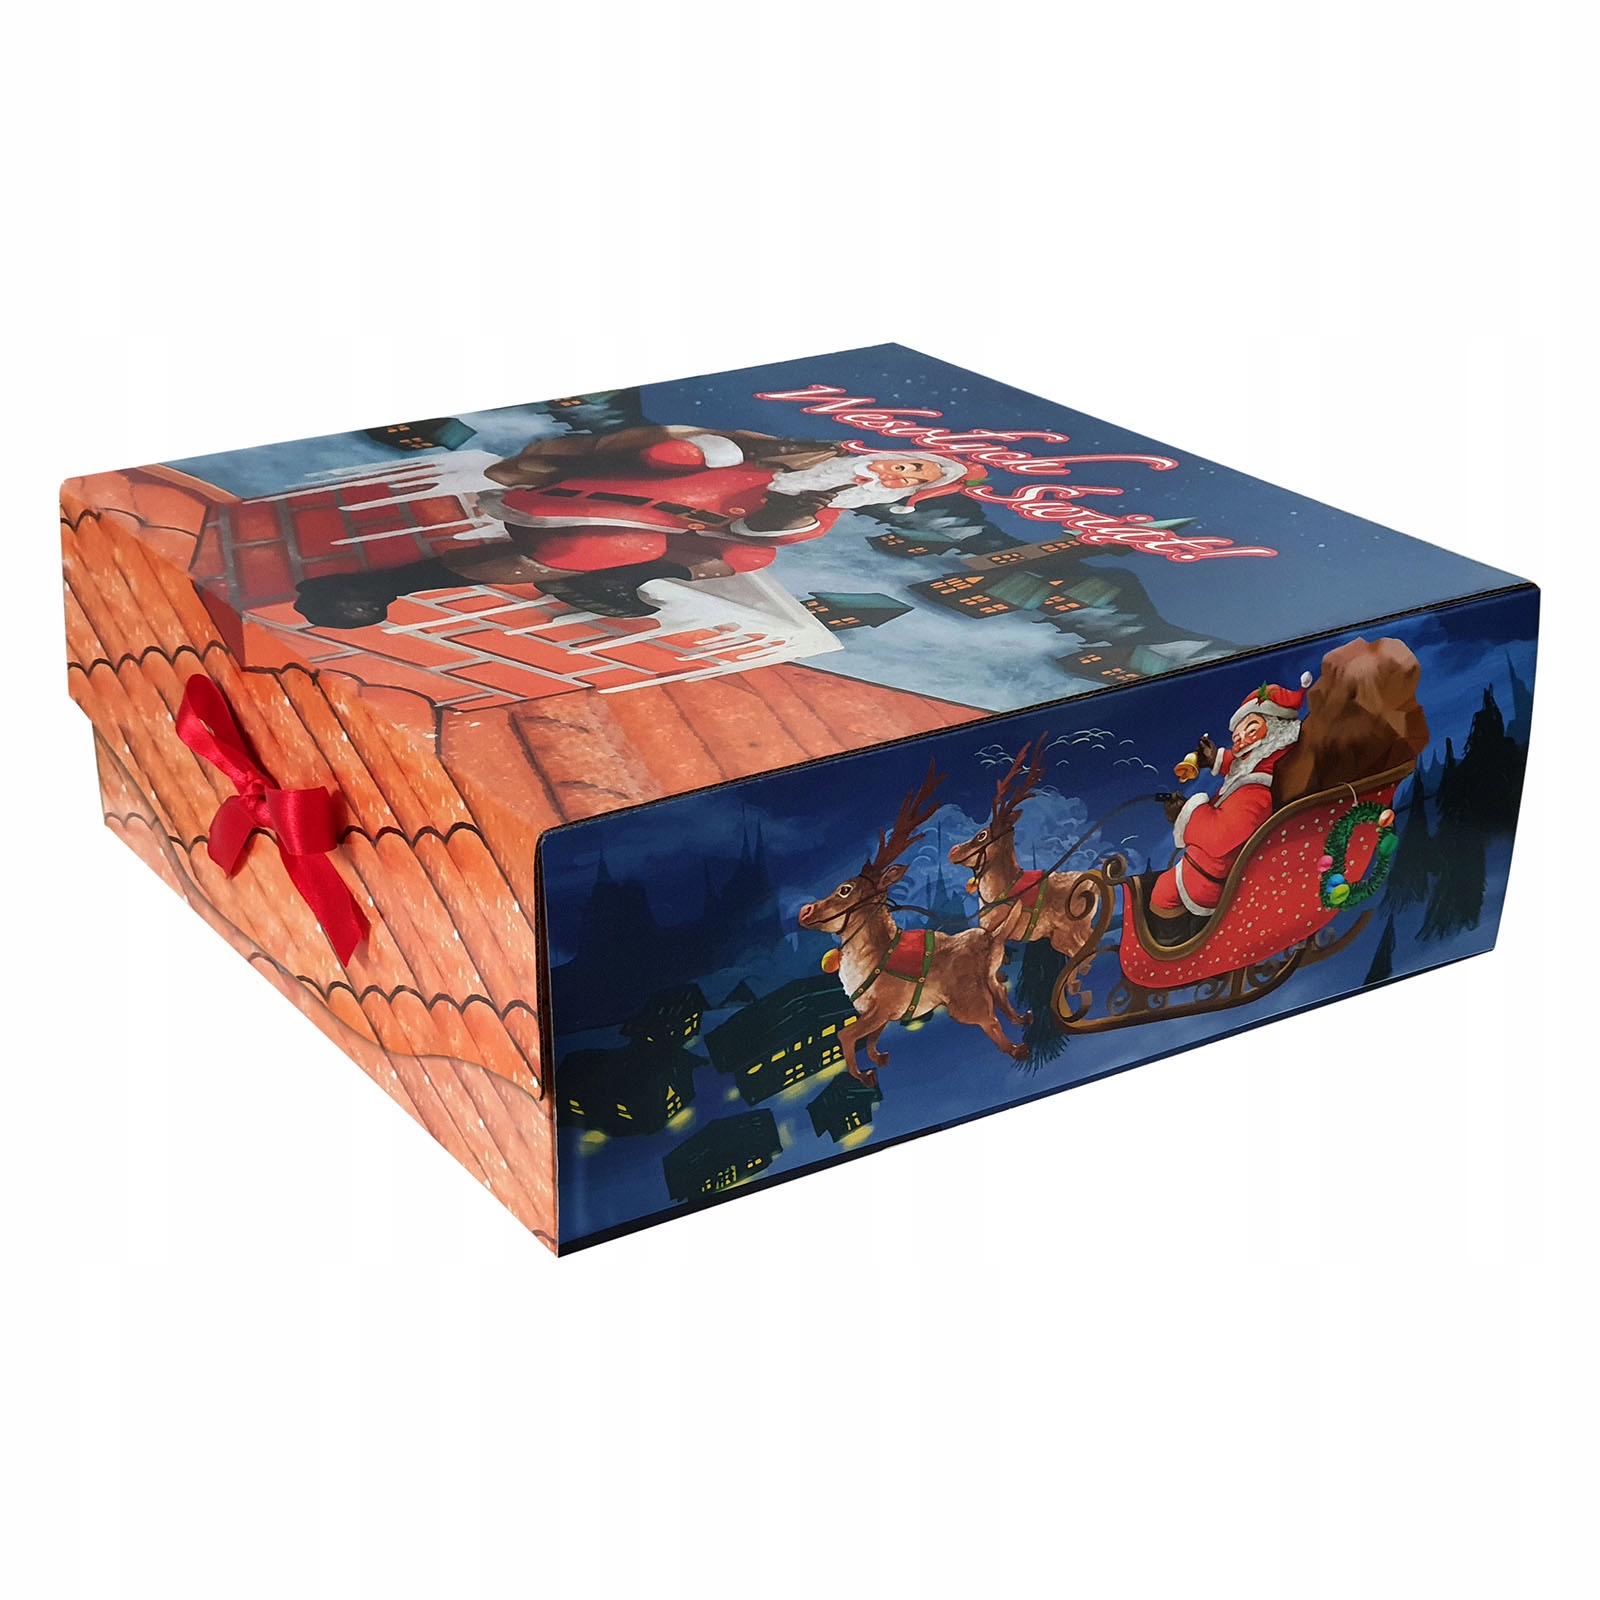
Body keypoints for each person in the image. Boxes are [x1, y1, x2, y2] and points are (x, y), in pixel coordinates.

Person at [293, 426, 977, 625]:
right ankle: (382, 586)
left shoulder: (821, 510)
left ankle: (618, 584)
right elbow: (672, 454)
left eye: (914, 480)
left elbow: (753, 535)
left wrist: (776, 520)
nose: (900, 475)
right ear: (882, 456)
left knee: (748, 561)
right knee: (618, 542)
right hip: (605, 501)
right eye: (907, 464)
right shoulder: (790, 455)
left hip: (663, 528)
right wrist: (705, 460)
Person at [1148, 673, 1313, 935]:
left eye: (1252, 730)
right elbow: (1242, 767)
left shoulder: (1256, 795)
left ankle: (1174, 947)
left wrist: (1184, 813)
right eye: (1238, 734)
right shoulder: (1257, 768)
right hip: (1199, 866)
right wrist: (1215, 758)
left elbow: (1219, 838)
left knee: (1161, 893)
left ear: (1275, 734)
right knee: (1156, 886)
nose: (1241, 739)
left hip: (1206, 879)